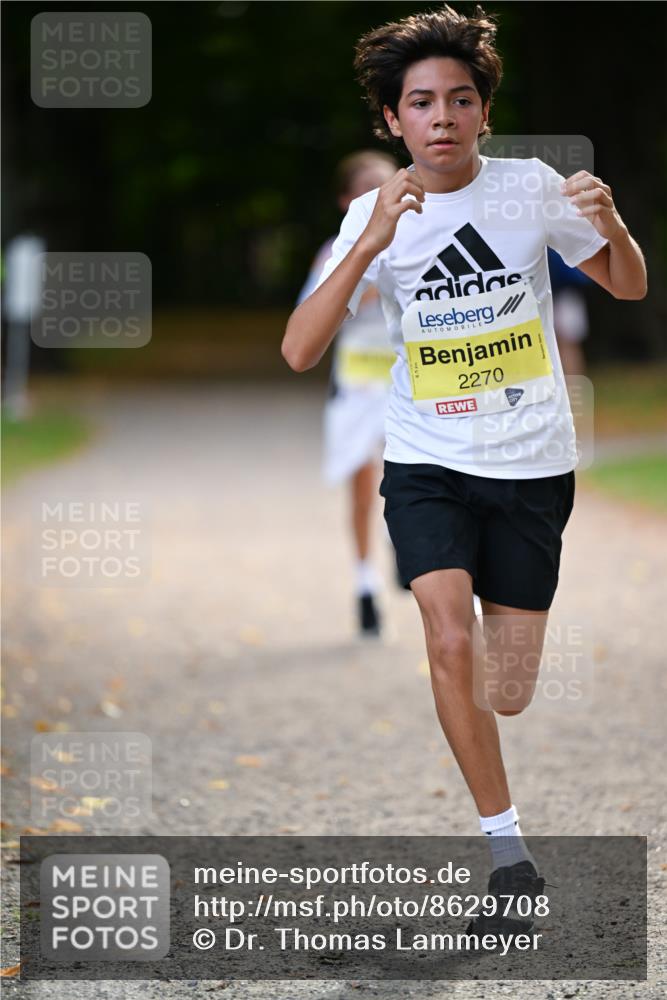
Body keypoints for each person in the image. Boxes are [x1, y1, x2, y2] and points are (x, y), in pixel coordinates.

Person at [281, 3, 646, 937]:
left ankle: (493, 702)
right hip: (426, 460)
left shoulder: (529, 188)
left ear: (483, 110)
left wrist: (613, 225)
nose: (439, 116)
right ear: (391, 120)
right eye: (419, 102)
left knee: (507, 689)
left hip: (531, 465)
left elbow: (627, 283)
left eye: (458, 99)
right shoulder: (369, 216)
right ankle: (508, 857)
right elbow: (298, 349)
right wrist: (369, 243)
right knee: (447, 640)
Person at [296, 152, 399, 637]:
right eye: (366, 188)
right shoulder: (333, 253)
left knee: (414, 479)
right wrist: (358, 286)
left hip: (410, 385)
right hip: (357, 388)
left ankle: (404, 545)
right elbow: (308, 321)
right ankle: (365, 585)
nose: (378, 196)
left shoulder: (423, 239)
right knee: (362, 486)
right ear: (346, 201)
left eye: (385, 184)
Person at [548, 246, 592, 379]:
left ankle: (574, 388)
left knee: (568, 343)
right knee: (567, 344)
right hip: (558, 290)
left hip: (564, 291)